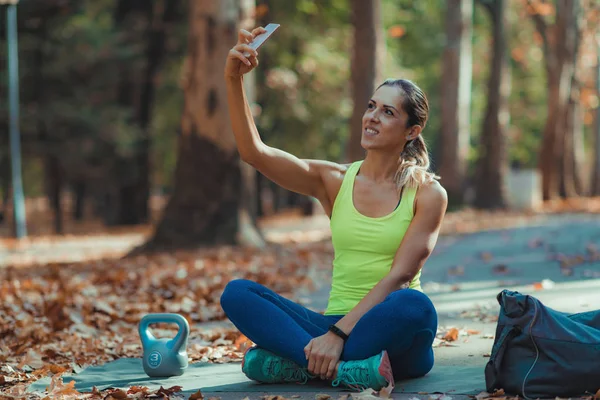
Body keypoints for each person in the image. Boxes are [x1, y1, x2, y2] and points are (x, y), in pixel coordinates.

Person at [220, 26, 447, 391]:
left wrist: (338, 336)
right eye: (371, 106)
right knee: (238, 293)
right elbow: (254, 153)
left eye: (388, 112)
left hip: (388, 327)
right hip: (332, 324)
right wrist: (233, 80)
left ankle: (304, 362)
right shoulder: (334, 180)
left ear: (411, 130)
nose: (372, 117)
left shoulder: (427, 193)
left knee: (414, 306)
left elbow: (399, 277)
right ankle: (344, 370)